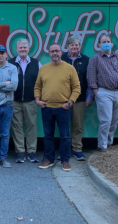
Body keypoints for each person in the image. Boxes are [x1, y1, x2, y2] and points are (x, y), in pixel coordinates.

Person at [34, 43, 81, 172]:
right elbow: (38, 86)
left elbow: (77, 87)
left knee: (65, 136)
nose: (54, 53)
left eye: (57, 51)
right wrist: (38, 100)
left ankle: (65, 160)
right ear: (49, 53)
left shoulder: (69, 68)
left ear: (61, 52)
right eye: (52, 51)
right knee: (48, 135)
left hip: (63, 108)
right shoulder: (43, 68)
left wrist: (70, 103)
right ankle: (48, 159)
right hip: (46, 107)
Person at [87, 34, 118, 152]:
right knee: (106, 120)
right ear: (99, 44)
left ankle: (109, 141)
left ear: (112, 43)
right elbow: (91, 76)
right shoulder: (95, 59)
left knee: (115, 119)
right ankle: (102, 145)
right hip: (104, 92)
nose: (106, 43)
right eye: (103, 42)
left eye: (108, 41)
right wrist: (96, 91)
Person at [8, 39, 41, 164]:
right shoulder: (10, 63)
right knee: (17, 127)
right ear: (16, 49)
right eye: (20, 48)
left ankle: (32, 152)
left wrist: (39, 97)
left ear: (28, 49)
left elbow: (41, 82)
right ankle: (20, 152)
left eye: (25, 47)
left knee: (31, 126)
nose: (23, 49)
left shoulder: (36, 63)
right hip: (15, 100)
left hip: (30, 100)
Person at [61, 35, 93, 161]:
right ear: (67, 46)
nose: (74, 47)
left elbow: (90, 80)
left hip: (79, 99)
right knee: (64, 125)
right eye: (72, 45)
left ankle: (77, 149)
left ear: (80, 46)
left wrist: (90, 97)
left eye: (76, 45)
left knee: (77, 125)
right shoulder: (62, 58)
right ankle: (64, 150)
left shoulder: (86, 60)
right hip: (63, 98)